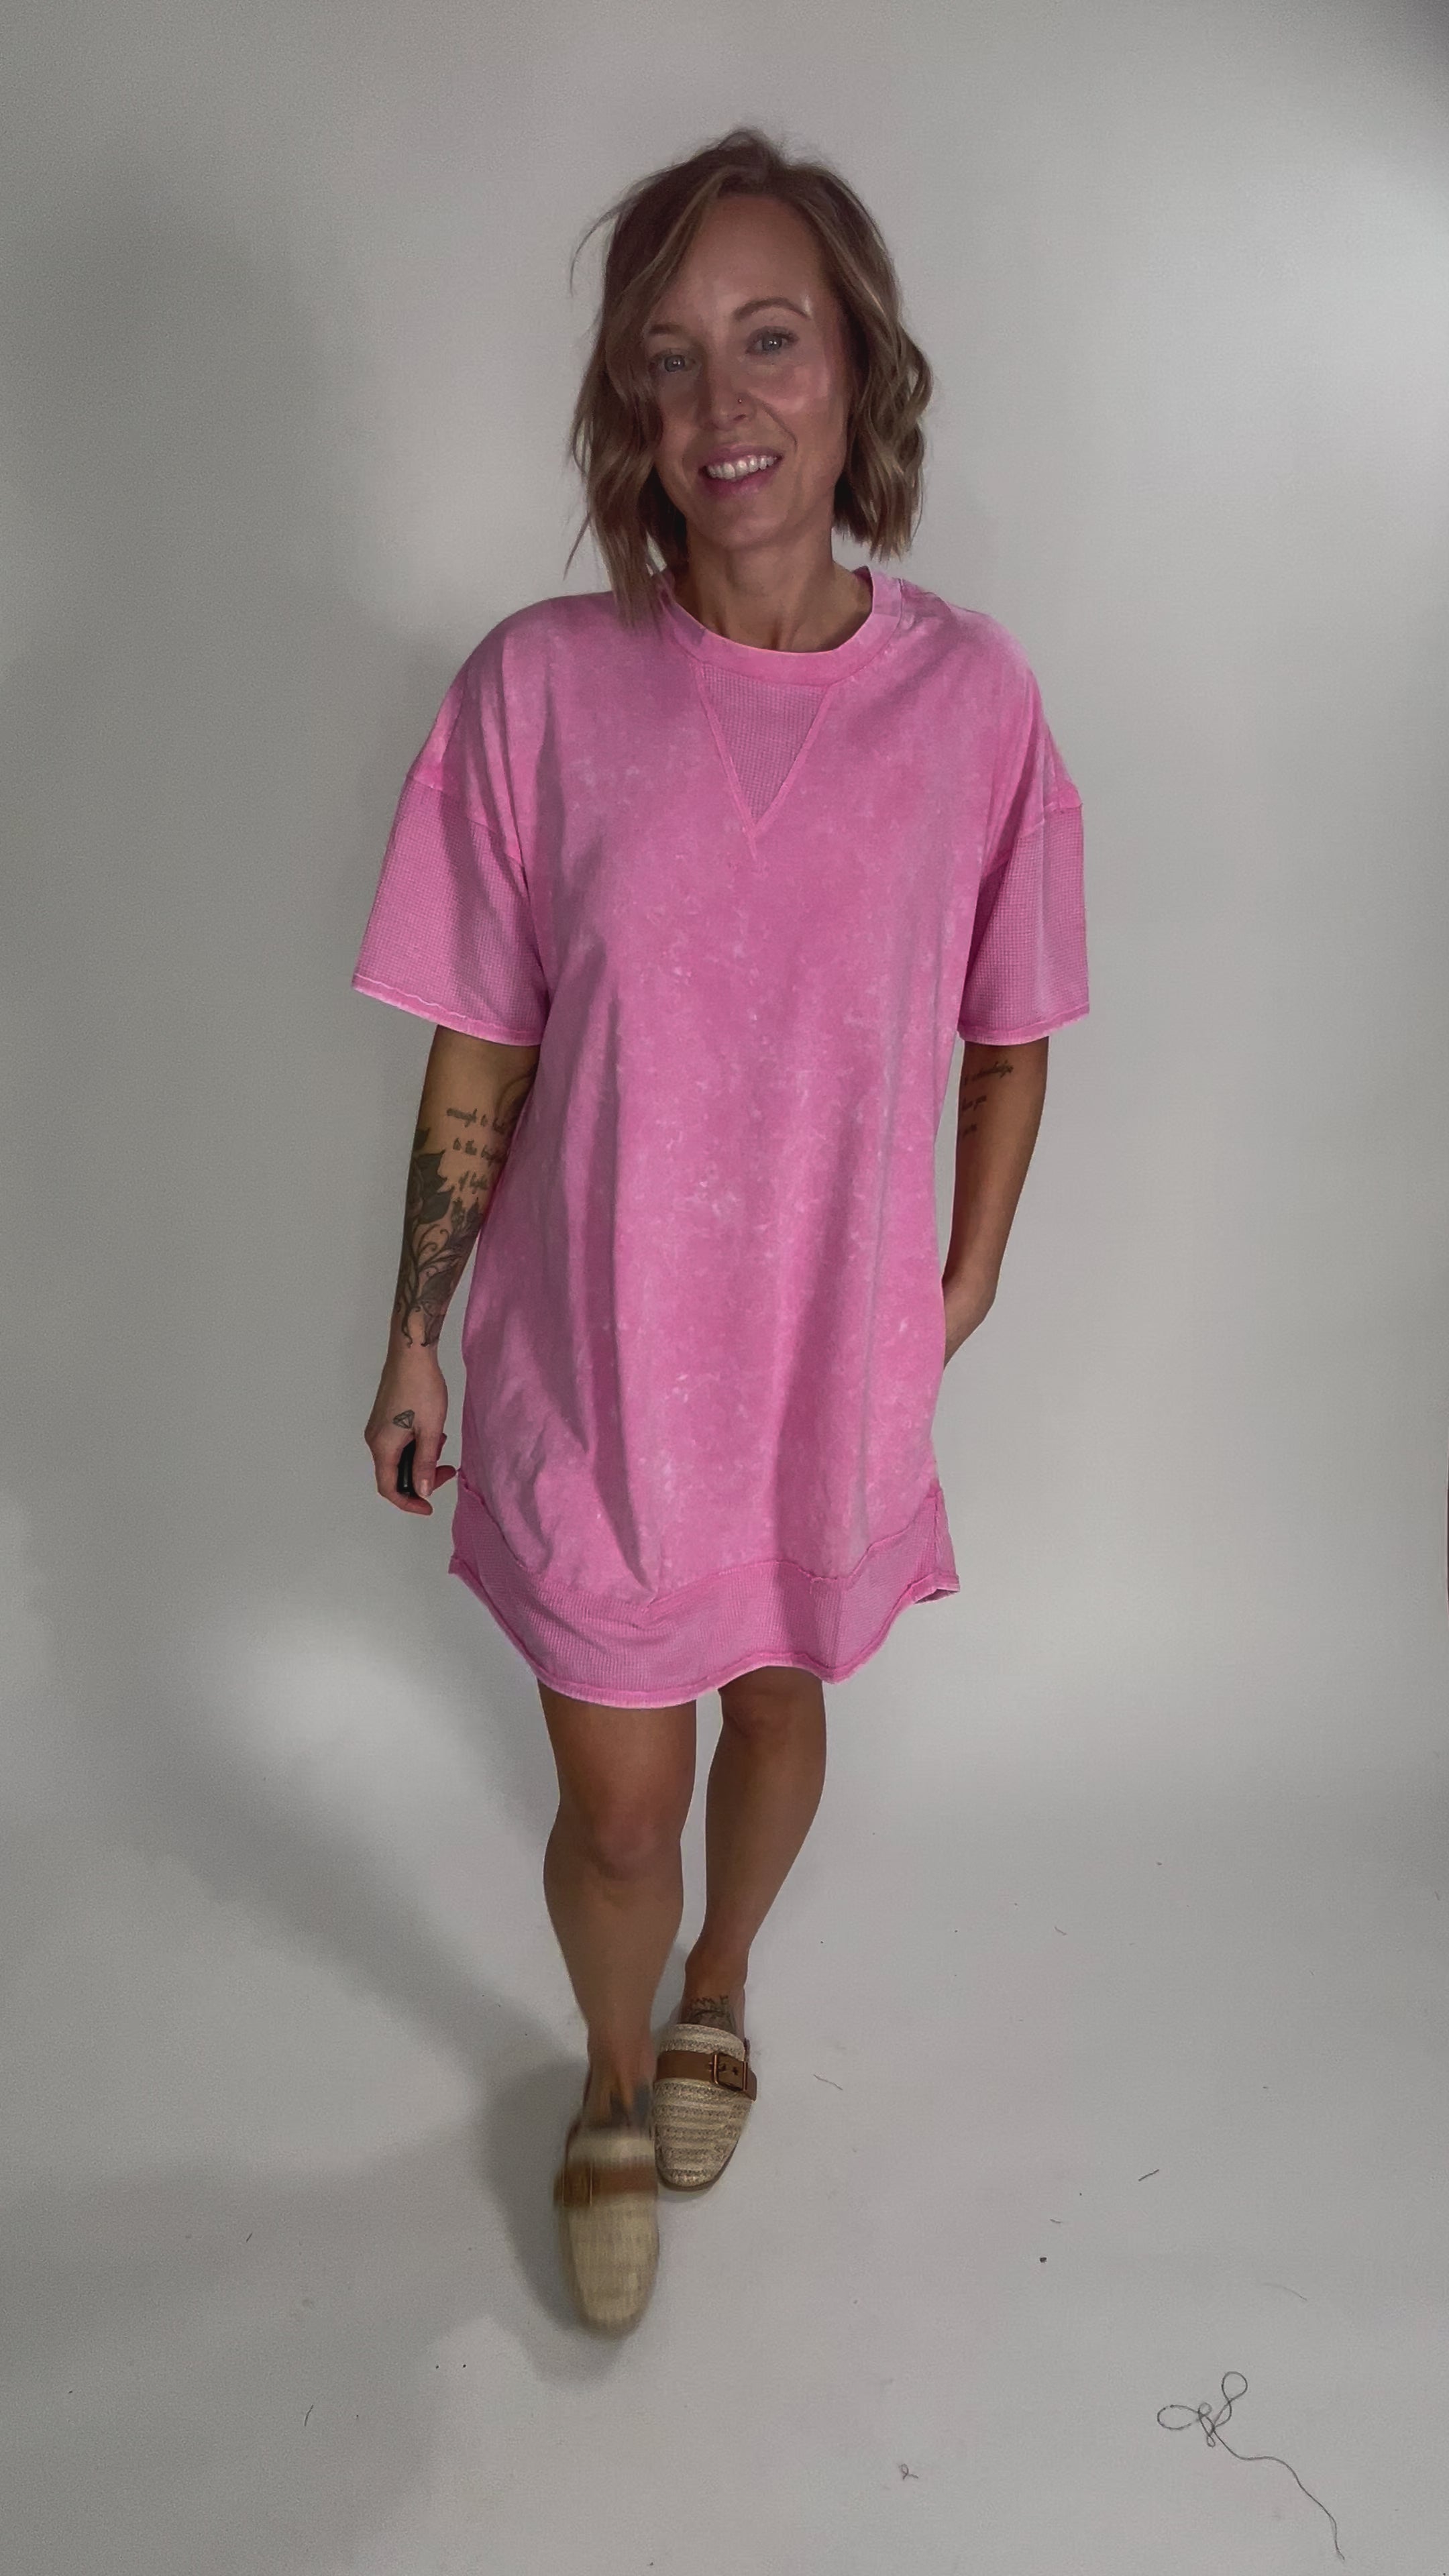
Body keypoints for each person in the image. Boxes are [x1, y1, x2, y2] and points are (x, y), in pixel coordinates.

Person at [351, 127, 1088, 2334]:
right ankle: (606, 2077)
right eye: (668, 360)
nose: (720, 402)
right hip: (591, 1364)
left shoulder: (973, 707)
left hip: (820, 1372)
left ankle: (722, 1990)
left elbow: (1012, 1021)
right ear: (629, 409)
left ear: (860, 372)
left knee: (776, 1716)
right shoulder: (537, 692)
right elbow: (479, 1042)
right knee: (614, 1804)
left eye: (771, 339)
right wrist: (413, 1331)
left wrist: (964, 1280)